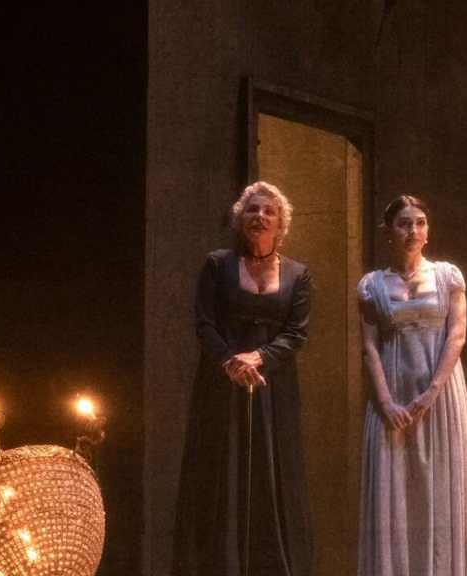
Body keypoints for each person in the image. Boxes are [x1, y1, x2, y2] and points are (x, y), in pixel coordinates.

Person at [173, 181, 312, 576]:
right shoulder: (218, 265)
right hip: (223, 381)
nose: (260, 217)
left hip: (272, 385)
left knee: (271, 469)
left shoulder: (298, 274)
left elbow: (296, 333)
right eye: (252, 209)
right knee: (223, 467)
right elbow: (204, 323)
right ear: (240, 218)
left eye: (269, 211)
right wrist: (231, 361)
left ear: (281, 223)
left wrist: (261, 357)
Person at [357, 195, 467, 576]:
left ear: (427, 231)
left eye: (420, 223)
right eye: (404, 224)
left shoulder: (447, 276)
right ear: (389, 231)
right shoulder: (372, 285)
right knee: (394, 489)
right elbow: (369, 347)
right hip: (391, 399)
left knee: (439, 486)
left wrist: (431, 393)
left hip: (440, 395)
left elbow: (457, 335)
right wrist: (386, 403)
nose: (413, 231)